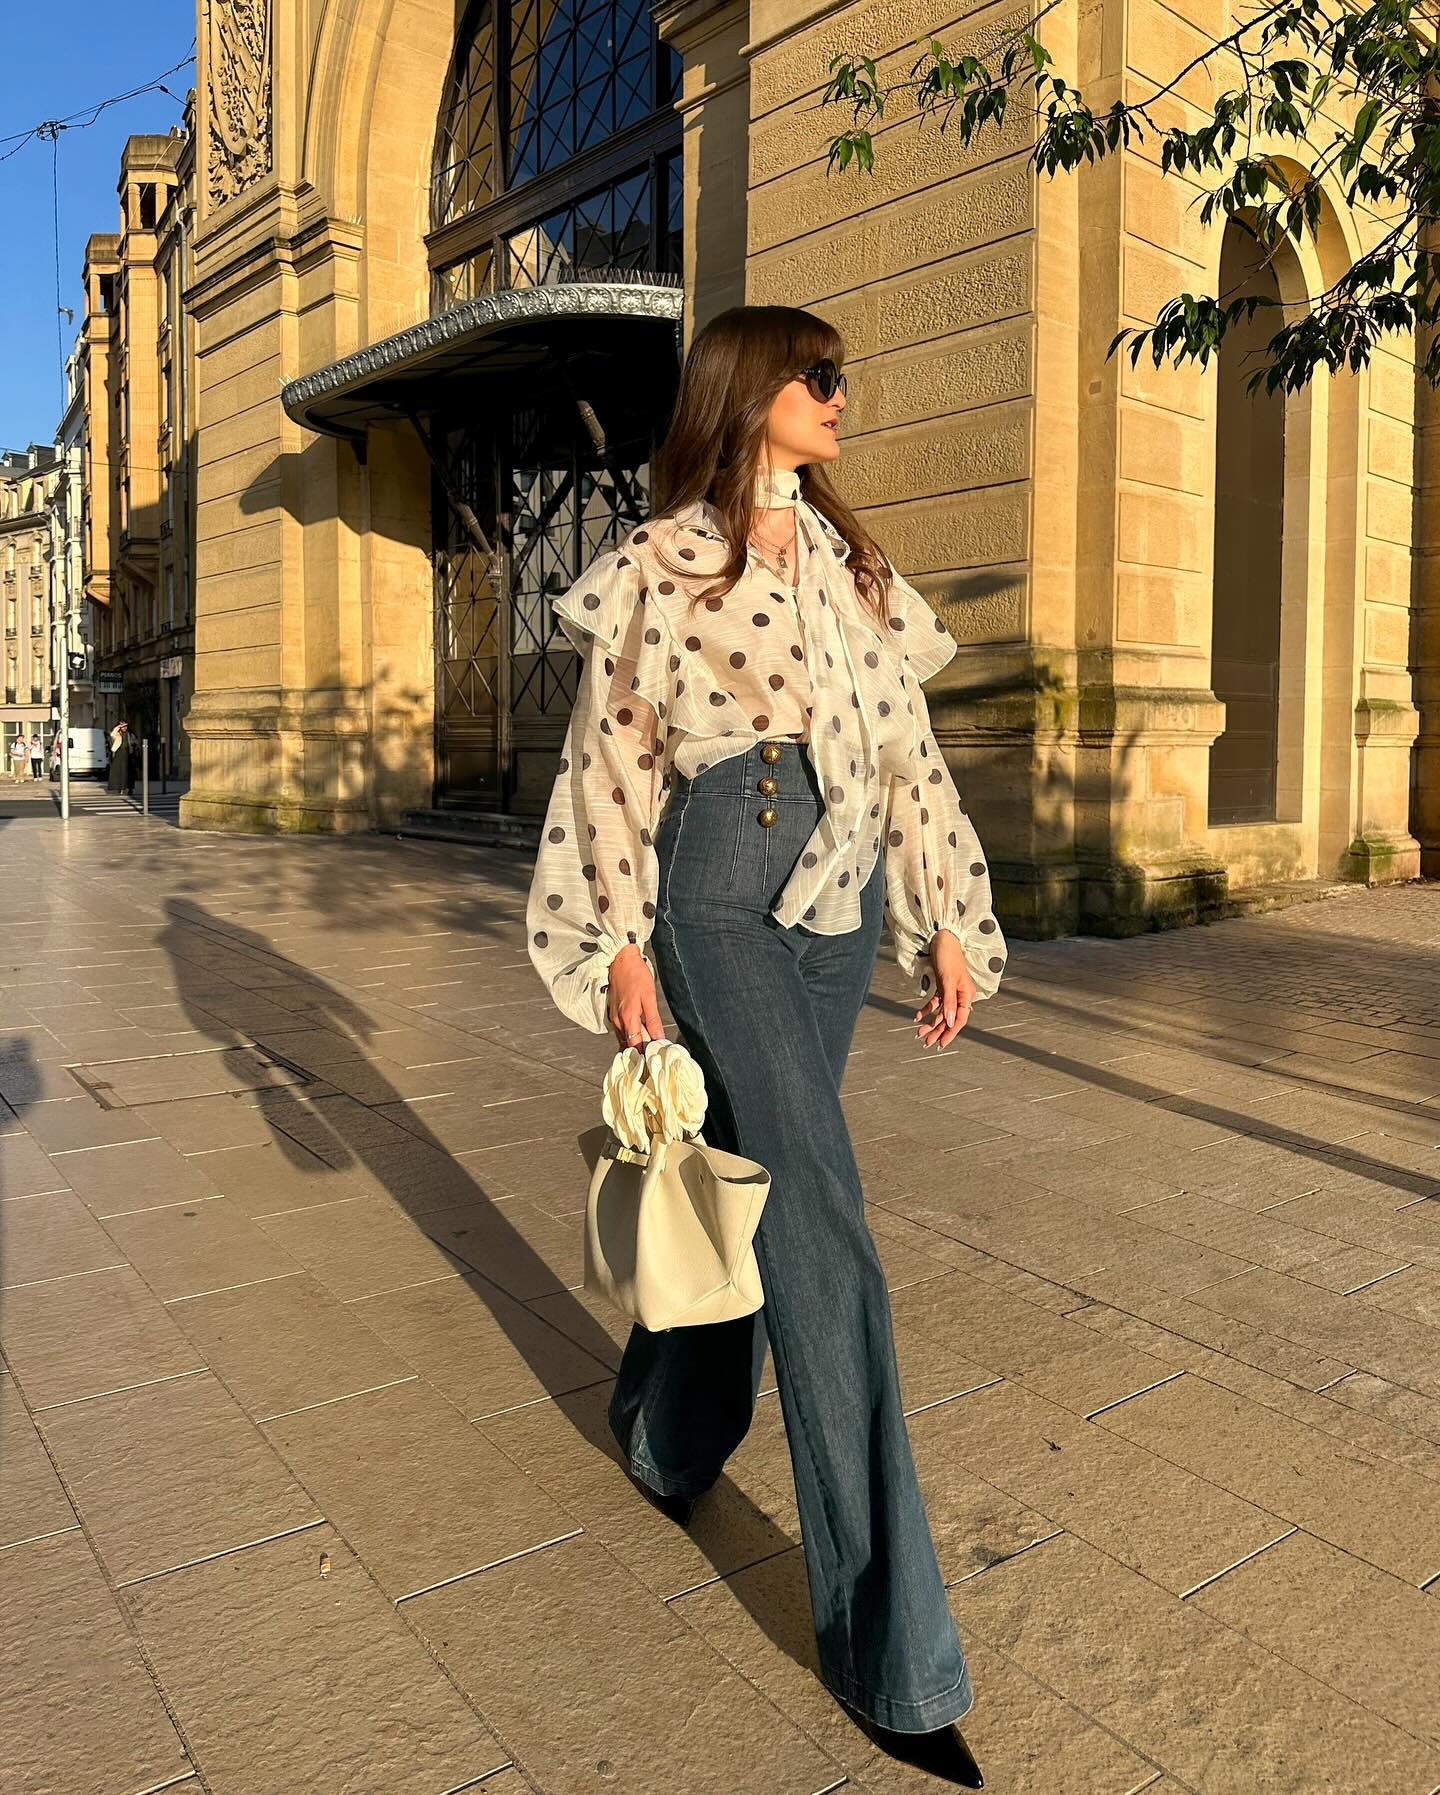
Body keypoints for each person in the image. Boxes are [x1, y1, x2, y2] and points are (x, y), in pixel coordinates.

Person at [526, 306, 1007, 1788]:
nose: (841, 396)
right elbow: (611, 757)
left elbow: (910, 755)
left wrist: (948, 917)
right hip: (720, 887)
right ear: (750, 393)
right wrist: (619, 944)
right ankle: (892, 1650)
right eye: (818, 376)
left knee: (752, 1179)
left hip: (839, 898)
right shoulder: (669, 562)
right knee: (823, 1232)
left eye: (841, 374)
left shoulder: (860, 574)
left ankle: (670, 1427)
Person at [106, 721, 131, 796]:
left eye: (126, 726)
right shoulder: (117, 734)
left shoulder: (128, 734)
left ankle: (123, 788)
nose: (125, 728)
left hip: (125, 753)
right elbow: (112, 734)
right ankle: (117, 787)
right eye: (123, 726)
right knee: (117, 770)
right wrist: (118, 727)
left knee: (124, 771)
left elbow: (129, 743)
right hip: (118, 752)